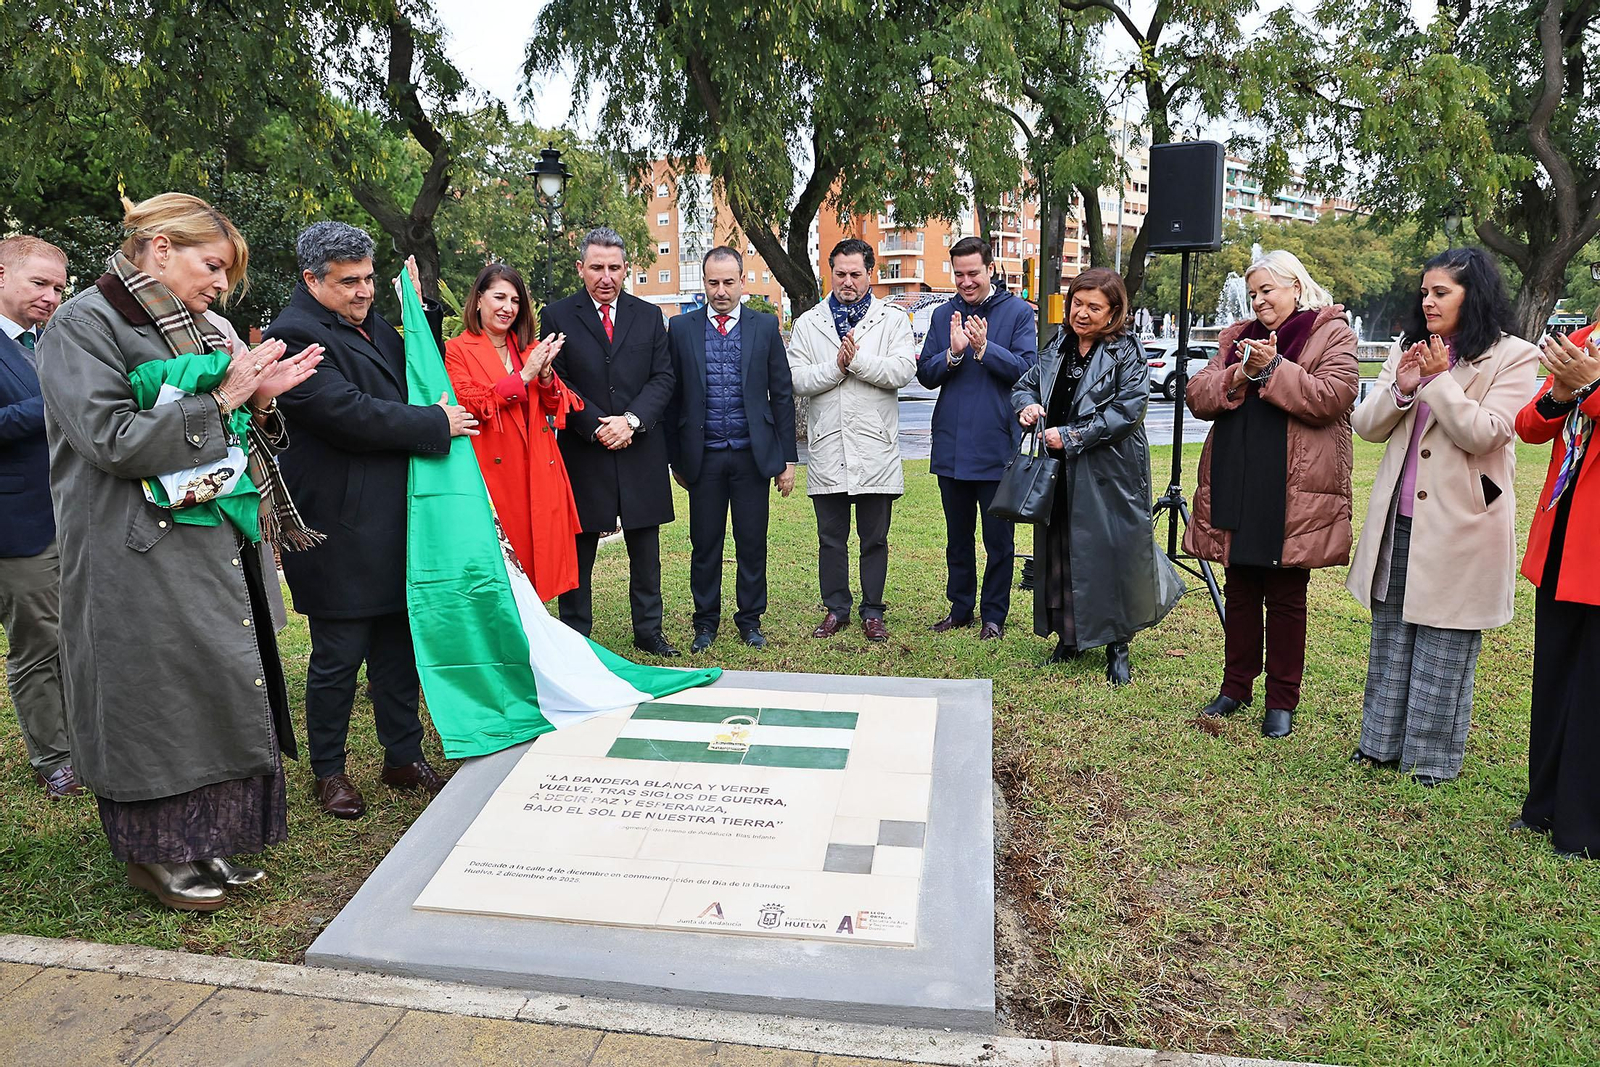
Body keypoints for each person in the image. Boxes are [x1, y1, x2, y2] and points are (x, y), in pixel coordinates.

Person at [37, 192, 322, 909]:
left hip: (211, 540)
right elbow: (109, 438)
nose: (222, 285)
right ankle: (156, 856)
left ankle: (207, 839)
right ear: (160, 248)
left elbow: (224, 434)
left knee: (212, 688)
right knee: (153, 700)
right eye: (213, 265)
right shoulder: (83, 324)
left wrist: (258, 401)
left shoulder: (203, 325)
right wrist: (225, 400)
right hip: (132, 551)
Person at [267, 223, 478, 819]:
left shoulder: (370, 322)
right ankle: (328, 771)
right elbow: (347, 413)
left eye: (367, 279)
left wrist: (420, 304)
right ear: (312, 280)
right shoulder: (295, 333)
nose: (363, 292)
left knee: (397, 646)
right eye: (348, 282)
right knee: (338, 653)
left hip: (392, 516)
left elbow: (410, 368)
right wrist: (436, 424)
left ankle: (402, 757)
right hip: (338, 523)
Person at [1346, 247, 1537, 785]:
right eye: (1424, 292)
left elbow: (1488, 432)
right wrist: (1404, 388)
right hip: (1398, 519)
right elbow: (1366, 425)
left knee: (1444, 640)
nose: (1427, 302)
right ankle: (1379, 744)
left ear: (1471, 295)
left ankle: (1429, 762)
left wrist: (1438, 382)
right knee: (1391, 634)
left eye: (1441, 292)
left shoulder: (1514, 356)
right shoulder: (1410, 348)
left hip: (1463, 523)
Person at [1184, 250, 1359, 738]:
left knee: (1285, 597)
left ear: (1296, 287)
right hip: (1237, 477)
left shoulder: (1331, 332)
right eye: (1253, 292)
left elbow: (1332, 397)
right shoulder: (1236, 337)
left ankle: (1281, 700)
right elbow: (1198, 396)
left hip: (1292, 488)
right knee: (1239, 591)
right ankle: (1235, 686)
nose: (1258, 300)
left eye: (1268, 290)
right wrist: (1240, 373)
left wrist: (1274, 367)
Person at [1012, 268, 1182, 684]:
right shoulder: (1059, 346)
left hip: (1110, 473)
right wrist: (1027, 406)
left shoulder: (1127, 351)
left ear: (1114, 312)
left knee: (1113, 555)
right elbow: (1025, 384)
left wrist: (1070, 436)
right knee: (1062, 552)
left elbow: (1126, 412)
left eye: (1094, 307)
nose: (1082, 313)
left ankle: (1117, 645)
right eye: (1077, 304)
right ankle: (1069, 637)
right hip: (1060, 471)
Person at [543, 228, 679, 656]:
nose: (606, 276)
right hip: (585, 449)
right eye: (597, 267)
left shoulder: (647, 315)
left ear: (627, 269)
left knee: (645, 548)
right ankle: (576, 634)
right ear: (581, 268)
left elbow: (663, 377)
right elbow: (557, 379)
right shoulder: (558, 315)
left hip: (639, 447)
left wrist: (631, 421)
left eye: (614, 268)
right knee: (579, 549)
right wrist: (595, 425)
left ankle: (649, 631)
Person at [665, 246, 798, 652]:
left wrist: (787, 458)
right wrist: (676, 458)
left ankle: (750, 620)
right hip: (702, 458)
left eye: (728, 282)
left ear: (742, 280)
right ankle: (704, 624)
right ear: (703, 282)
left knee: (751, 541)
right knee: (705, 544)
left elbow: (782, 394)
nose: (720, 291)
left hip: (750, 456)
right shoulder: (682, 328)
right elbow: (672, 398)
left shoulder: (764, 327)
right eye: (712, 282)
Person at [787, 238, 917, 643]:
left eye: (855, 274)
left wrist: (856, 361)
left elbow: (902, 370)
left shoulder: (892, 320)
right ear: (830, 273)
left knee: (875, 538)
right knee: (831, 537)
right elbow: (797, 378)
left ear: (870, 274)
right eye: (840, 273)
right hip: (827, 444)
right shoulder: (809, 323)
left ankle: (873, 611)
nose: (847, 281)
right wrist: (837, 367)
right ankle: (836, 608)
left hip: (875, 445)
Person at [915, 236, 1037, 640]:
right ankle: (960, 607)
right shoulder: (943, 314)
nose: (966, 282)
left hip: (996, 443)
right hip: (951, 443)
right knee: (957, 538)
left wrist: (985, 349)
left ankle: (994, 616)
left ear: (990, 269)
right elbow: (926, 375)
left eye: (974, 273)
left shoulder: (1018, 312)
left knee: (998, 539)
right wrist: (952, 354)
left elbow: (1027, 370)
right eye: (959, 274)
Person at [443, 263, 582, 601]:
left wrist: (546, 376)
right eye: (500, 297)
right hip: (493, 473)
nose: (508, 307)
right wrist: (522, 378)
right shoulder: (457, 350)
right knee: (502, 569)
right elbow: (469, 402)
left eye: (515, 300)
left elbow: (559, 406)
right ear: (478, 299)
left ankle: (541, 637)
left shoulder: (530, 349)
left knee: (541, 566)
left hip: (539, 468)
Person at [1513, 328, 1600, 854]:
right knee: (1553, 678)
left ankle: (1582, 825)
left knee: (1593, 689)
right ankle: (1542, 805)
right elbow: (1529, 427)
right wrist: (1563, 393)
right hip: (1564, 538)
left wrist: (1591, 389)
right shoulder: (1582, 339)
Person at [0, 235, 79, 798]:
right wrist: (62, 397)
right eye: (39, 283)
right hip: (17, 526)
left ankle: (85, 739)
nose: (51, 296)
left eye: (58, 286)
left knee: (79, 635)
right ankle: (53, 757)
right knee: (39, 643)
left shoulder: (49, 343)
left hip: (72, 515)